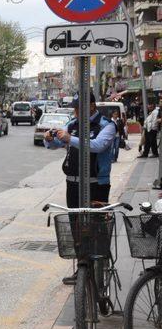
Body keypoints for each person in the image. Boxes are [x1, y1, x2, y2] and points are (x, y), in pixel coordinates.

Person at [44, 92, 116, 283]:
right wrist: (50, 140)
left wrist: (70, 139)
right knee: (76, 228)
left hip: (96, 185)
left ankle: (100, 271)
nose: (76, 112)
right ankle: (82, 269)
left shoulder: (106, 125)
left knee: (97, 228)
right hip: (73, 183)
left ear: (91, 106)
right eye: (74, 108)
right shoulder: (72, 124)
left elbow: (98, 145)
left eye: (79, 108)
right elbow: (57, 144)